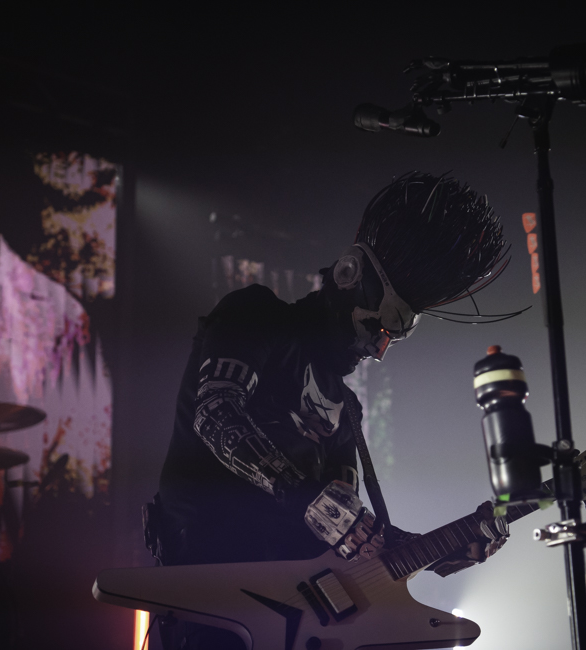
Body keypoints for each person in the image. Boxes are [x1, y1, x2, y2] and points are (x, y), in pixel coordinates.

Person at [151, 172, 511, 649]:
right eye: (377, 326)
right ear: (347, 278)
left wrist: (443, 549)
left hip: (291, 621)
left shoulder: (348, 410)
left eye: (394, 334)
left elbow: (354, 537)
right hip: (211, 592)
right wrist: (306, 496)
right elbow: (216, 414)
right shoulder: (257, 314)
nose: (377, 348)